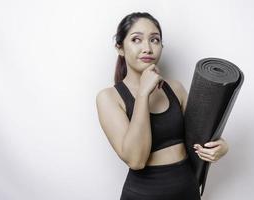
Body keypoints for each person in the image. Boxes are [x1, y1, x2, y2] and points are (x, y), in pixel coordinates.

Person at [96, 12, 229, 200]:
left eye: (155, 40)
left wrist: (221, 146)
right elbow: (136, 160)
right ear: (120, 48)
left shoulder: (175, 88)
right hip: (144, 195)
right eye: (136, 40)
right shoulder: (109, 98)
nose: (147, 48)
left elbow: (200, 137)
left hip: (188, 191)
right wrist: (143, 94)